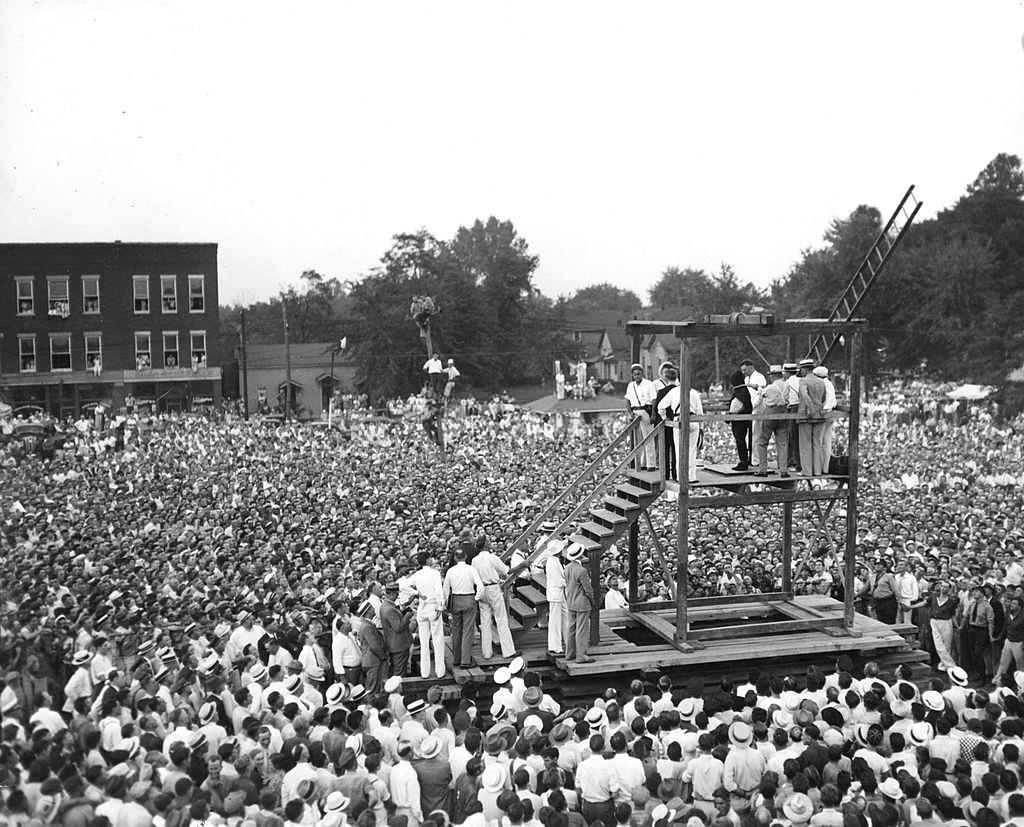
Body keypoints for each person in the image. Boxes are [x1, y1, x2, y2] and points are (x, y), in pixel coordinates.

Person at [471, 536, 518, 662]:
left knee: (485, 621)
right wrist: (522, 565)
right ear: (486, 545)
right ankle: (508, 651)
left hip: (481, 589)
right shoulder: (492, 557)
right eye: (489, 542)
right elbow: (507, 570)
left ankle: (486, 652)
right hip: (492, 588)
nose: (491, 543)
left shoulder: (475, 560)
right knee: (501, 619)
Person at [442, 548, 483, 668]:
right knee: (468, 630)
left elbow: (445, 590)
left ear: (455, 558)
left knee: (456, 629)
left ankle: (456, 658)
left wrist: (446, 603)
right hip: (469, 598)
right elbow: (480, 587)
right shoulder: (471, 569)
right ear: (465, 557)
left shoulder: (450, 570)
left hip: (455, 599)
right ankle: (465, 660)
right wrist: (476, 598)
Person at [409, 551, 446, 679]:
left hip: (422, 608)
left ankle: (425, 673)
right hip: (433, 607)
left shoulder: (416, 575)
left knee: (424, 641)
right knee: (437, 639)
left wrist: (417, 593)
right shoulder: (435, 573)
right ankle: (440, 671)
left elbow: (403, 585)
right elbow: (439, 591)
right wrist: (441, 606)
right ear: (427, 560)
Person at [755, 365, 789, 478]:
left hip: (770, 412)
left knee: (763, 442)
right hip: (783, 413)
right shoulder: (786, 384)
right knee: (782, 443)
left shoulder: (771, 387)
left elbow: (761, 395)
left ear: (773, 376)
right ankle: (783, 470)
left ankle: (763, 469)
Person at [564, 543, 595, 664]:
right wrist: (592, 600)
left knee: (571, 628)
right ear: (581, 555)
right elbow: (588, 589)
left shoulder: (567, 568)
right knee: (581, 630)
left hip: (571, 601)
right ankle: (581, 655)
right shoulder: (582, 570)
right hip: (582, 603)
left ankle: (570, 653)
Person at [624, 364, 658, 470]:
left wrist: (653, 414)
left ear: (642, 374)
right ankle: (642, 463)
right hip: (635, 411)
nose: (637, 376)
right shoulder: (631, 385)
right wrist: (630, 413)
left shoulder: (649, 384)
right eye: (635, 374)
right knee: (638, 440)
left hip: (645, 410)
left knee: (648, 437)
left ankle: (651, 464)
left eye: (639, 374)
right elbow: (627, 400)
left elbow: (653, 400)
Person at [797, 362, 827, 476]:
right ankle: (817, 471)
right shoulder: (821, 381)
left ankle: (807, 471)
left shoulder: (803, 381)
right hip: (819, 415)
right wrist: (818, 408)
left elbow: (804, 396)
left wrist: (811, 408)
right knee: (817, 443)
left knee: (805, 444)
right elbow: (824, 397)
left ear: (804, 370)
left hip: (806, 415)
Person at [379, 583, 412, 678]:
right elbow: (398, 627)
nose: (397, 596)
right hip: (399, 645)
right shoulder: (389, 609)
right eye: (396, 594)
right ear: (392, 594)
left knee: (396, 670)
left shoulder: (386, 605)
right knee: (399, 674)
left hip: (395, 644)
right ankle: (397, 691)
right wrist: (407, 616)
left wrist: (403, 613)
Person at [651, 363, 678, 481]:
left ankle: (666, 474)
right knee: (676, 449)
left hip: (666, 423)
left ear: (666, 378)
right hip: (677, 422)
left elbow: (658, 408)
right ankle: (676, 473)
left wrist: (663, 419)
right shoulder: (679, 391)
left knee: (665, 449)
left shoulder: (661, 392)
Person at [740, 359, 767, 467]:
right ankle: (750, 457)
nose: (744, 372)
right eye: (742, 370)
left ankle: (756, 459)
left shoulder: (760, 377)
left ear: (751, 367)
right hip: (749, 408)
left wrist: (753, 405)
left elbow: (760, 394)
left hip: (758, 408)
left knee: (757, 435)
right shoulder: (746, 379)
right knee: (749, 435)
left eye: (745, 370)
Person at [545, 539, 568, 657]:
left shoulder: (555, 561)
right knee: (555, 620)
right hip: (555, 594)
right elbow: (559, 581)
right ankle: (555, 646)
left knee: (565, 618)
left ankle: (568, 643)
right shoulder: (552, 563)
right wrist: (568, 581)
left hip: (560, 594)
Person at [727, 370, 753, 472]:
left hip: (739, 421)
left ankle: (743, 462)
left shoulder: (740, 392)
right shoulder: (743, 391)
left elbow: (742, 406)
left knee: (740, 440)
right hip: (742, 420)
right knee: (740, 440)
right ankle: (744, 461)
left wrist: (733, 415)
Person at [814, 366, 837, 472]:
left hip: (826, 414)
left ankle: (820, 467)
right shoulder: (829, 383)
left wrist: (824, 410)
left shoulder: (824, 383)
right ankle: (825, 468)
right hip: (830, 413)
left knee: (820, 441)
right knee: (826, 443)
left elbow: (830, 398)